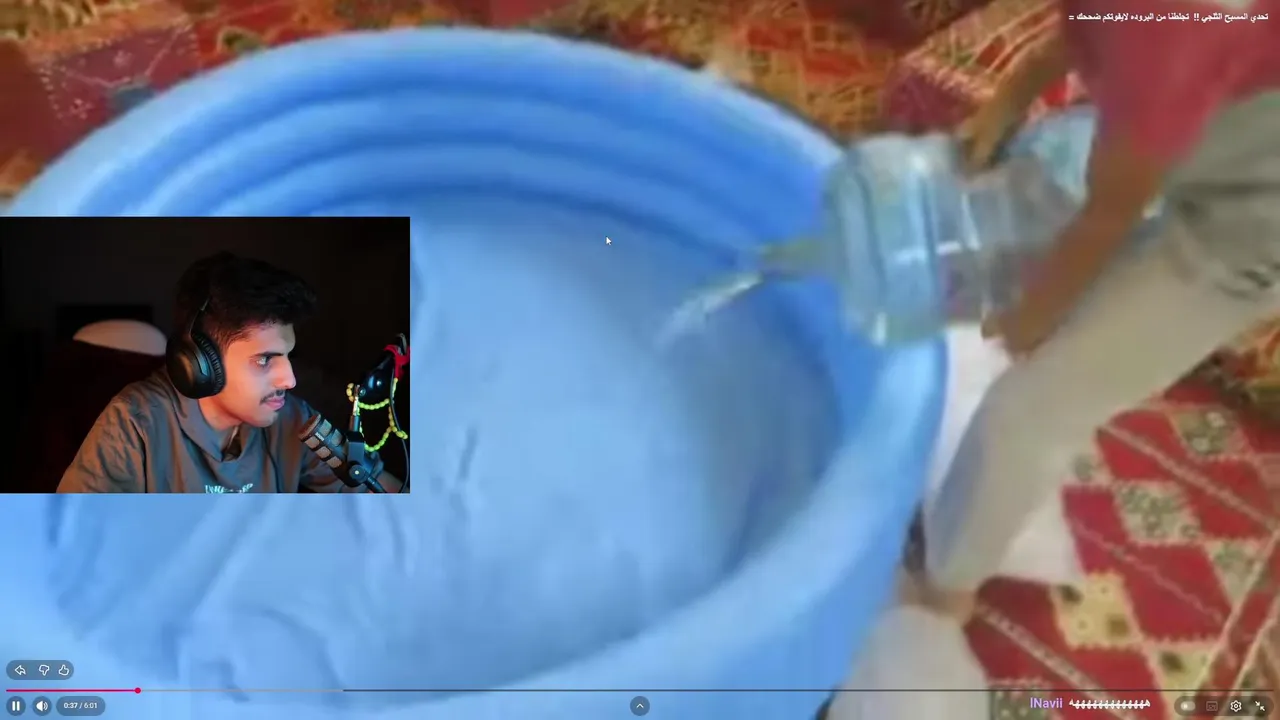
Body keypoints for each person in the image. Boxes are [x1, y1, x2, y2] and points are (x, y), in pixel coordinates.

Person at [908, 0, 1280, 620]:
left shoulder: (1168, 35)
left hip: (1248, 235)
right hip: (1209, 146)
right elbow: (1088, 27)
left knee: (1027, 410)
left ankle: (945, 594)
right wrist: (1008, 100)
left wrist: (1030, 318)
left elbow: (1109, 214)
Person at [58, 252, 402, 493]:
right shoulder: (133, 424)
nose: (289, 380)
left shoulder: (293, 419)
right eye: (264, 360)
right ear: (199, 364)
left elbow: (379, 492)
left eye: (287, 356)